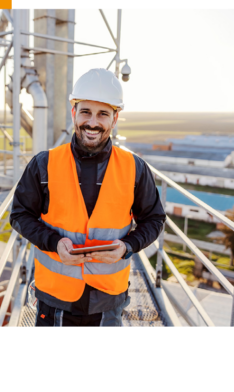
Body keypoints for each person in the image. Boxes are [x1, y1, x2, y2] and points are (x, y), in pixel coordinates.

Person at [10, 68, 166, 327]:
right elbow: (19, 215)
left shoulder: (135, 169)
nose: (92, 122)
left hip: (108, 301)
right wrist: (54, 243)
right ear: (74, 113)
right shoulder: (43, 165)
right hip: (55, 299)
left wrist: (127, 247)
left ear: (115, 119)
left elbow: (154, 219)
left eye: (103, 114)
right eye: (85, 112)